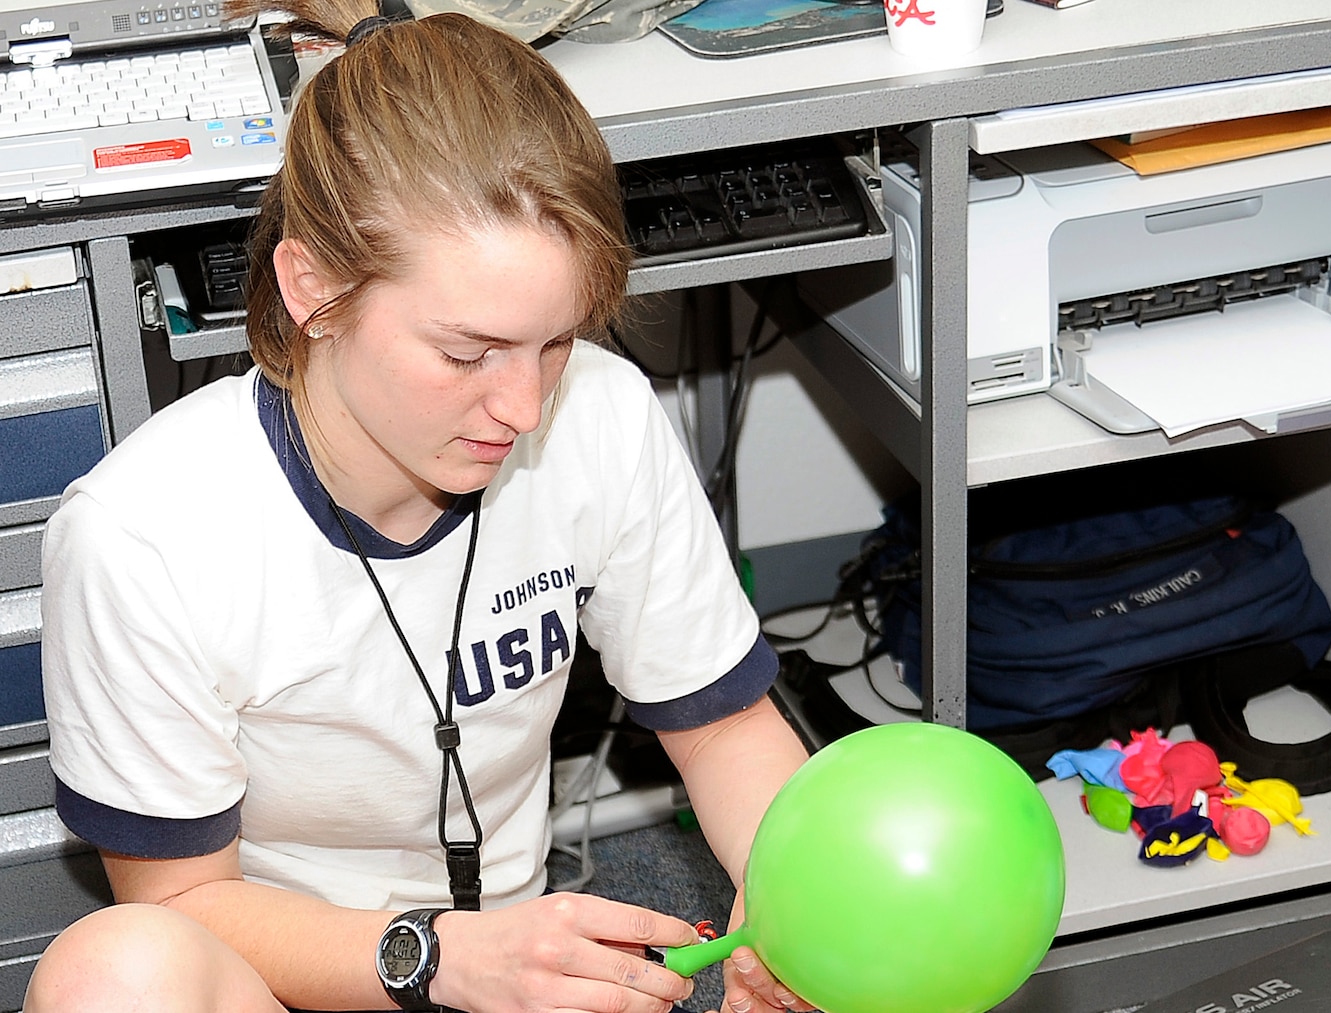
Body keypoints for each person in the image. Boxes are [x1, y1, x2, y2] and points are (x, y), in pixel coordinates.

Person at [23, 1, 813, 1010]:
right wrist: (439, 956)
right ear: (312, 288)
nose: (524, 407)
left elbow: (723, 729)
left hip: (520, 977)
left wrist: (785, 900)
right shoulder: (144, 535)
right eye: (464, 352)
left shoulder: (602, 417)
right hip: (294, 979)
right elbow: (182, 899)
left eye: (557, 341)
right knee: (112, 970)